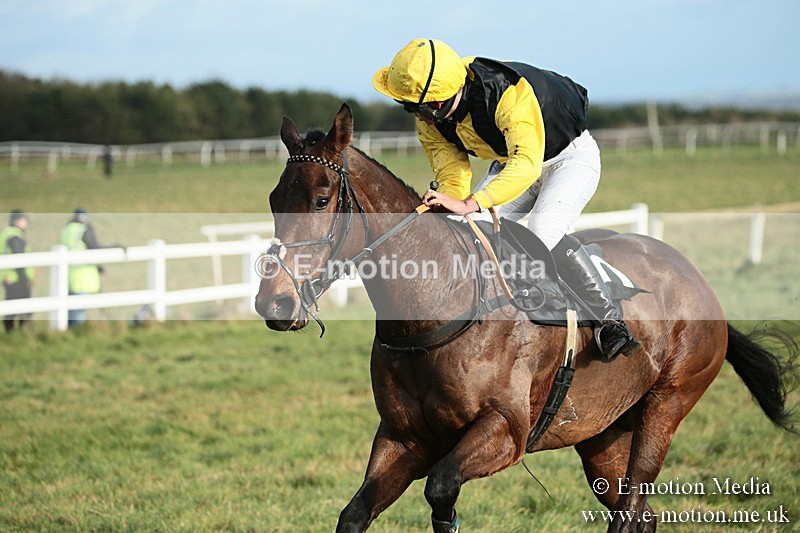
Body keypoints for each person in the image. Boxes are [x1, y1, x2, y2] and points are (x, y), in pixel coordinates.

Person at [372, 38, 637, 359]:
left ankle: (610, 322)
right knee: (470, 230)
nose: (418, 116)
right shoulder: (432, 113)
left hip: (568, 159)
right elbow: (453, 171)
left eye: (422, 107)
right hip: (509, 161)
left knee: (543, 229)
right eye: (409, 107)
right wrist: (451, 202)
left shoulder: (506, 94)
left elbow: (525, 164)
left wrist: (471, 203)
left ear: (444, 99)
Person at [59, 208, 121, 328]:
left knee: (70, 312)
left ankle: (68, 335)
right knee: (78, 314)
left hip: (68, 276)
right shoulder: (83, 230)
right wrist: (115, 248)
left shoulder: (66, 230)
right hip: (83, 277)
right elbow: (95, 249)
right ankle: (77, 336)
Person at [1, 210, 35, 332]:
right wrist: (25, 278)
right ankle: (19, 332)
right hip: (16, 277)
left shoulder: (6, 233)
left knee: (12, 306)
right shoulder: (15, 236)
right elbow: (19, 258)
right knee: (24, 308)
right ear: (17, 221)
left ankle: (11, 333)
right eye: (23, 220)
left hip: (8, 277)